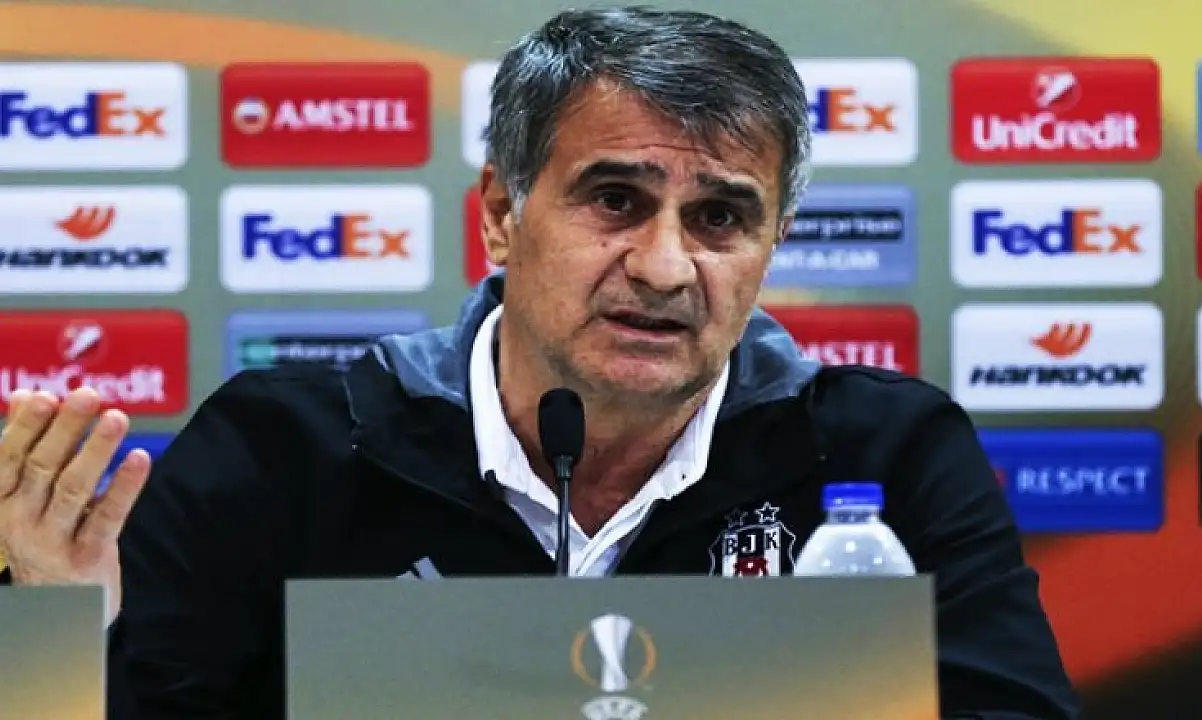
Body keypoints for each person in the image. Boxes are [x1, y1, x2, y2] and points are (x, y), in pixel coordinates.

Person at [0, 6, 1080, 719]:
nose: (664, 266)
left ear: (770, 246)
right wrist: (59, 619)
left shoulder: (883, 451)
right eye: (615, 200)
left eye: (719, 218)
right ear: (501, 215)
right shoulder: (281, 448)